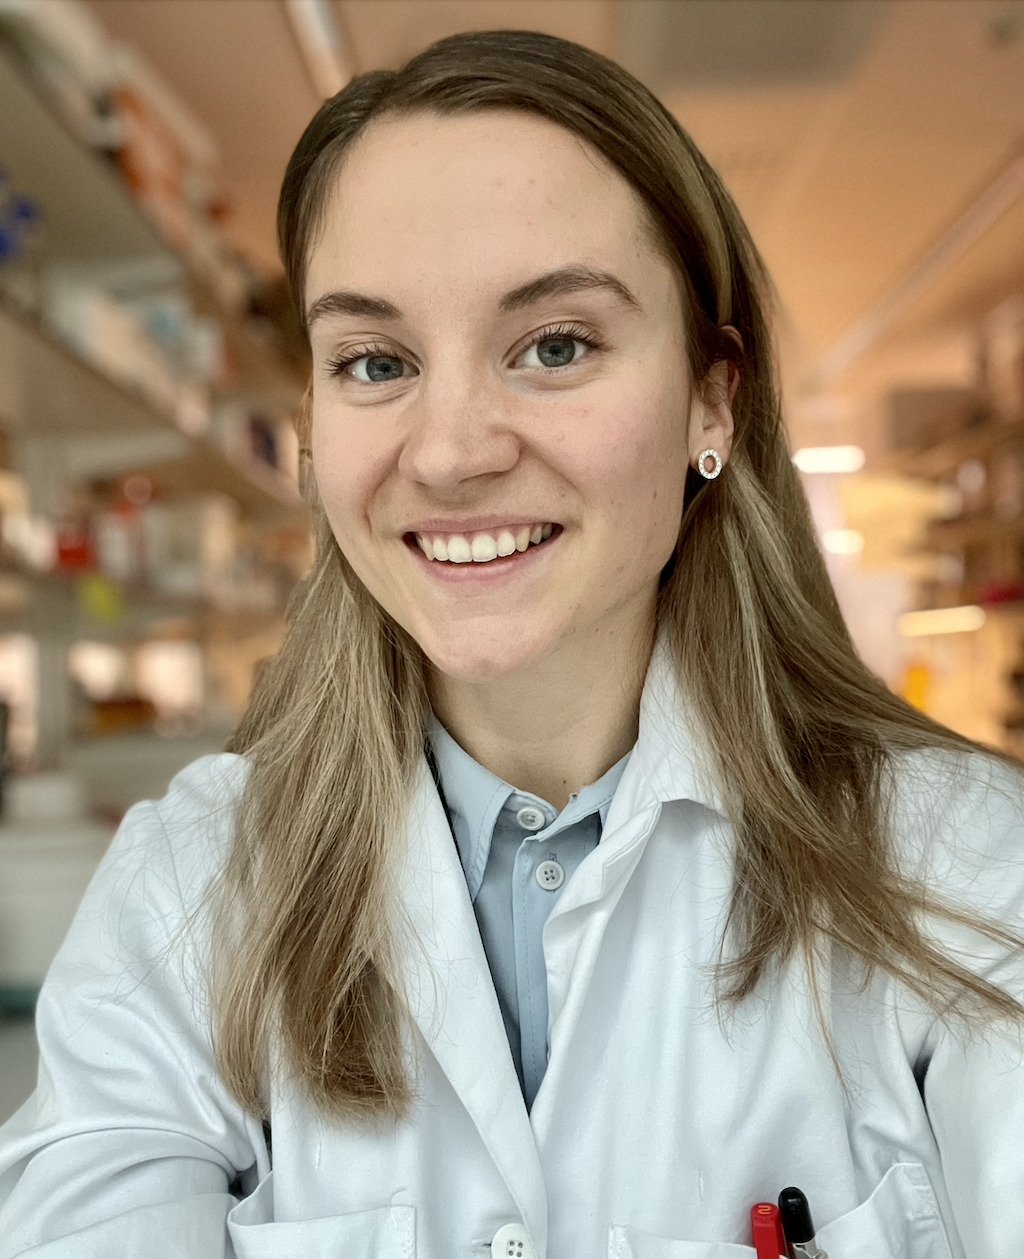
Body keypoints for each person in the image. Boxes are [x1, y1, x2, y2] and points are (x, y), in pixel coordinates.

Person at [1, 27, 1022, 1259]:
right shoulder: (188, 895)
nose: (448, 451)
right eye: (376, 361)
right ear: (316, 425)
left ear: (713, 397)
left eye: (554, 345)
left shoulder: (964, 874)